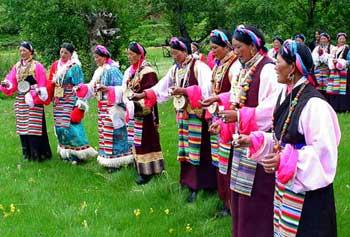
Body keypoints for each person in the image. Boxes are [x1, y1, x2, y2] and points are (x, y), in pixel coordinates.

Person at [238, 40, 340, 237]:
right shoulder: (286, 95)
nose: (275, 66)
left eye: (279, 62)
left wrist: (284, 159)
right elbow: (282, 139)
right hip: (288, 186)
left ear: (292, 67)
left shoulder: (314, 105)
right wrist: (255, 140)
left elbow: (324, 153)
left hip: (309, 194)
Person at [203, 25, 281, 236]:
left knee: (255, 196)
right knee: (239, 192)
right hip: (242, 141)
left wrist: (238, 116)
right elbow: (237, 97)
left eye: (238, 47)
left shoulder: (267, 70)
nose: (235, 52)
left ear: (253, 47)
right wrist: (220, 100)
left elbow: (272, 107)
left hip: (258, 143)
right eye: (234, 47)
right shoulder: (243, 68)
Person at [131, 37, 216, 202]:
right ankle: (187, 181)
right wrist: (144, 94)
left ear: (185, 51)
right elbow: (161, 86)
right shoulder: (176, 69)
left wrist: (185, 91)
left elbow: (207, 90)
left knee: (198, 149)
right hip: (184, 115)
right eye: (172, 53)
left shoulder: (199, 67)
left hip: (196, 115)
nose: (174, 56)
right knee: (185, 149)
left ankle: (201, 184)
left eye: (176, 53)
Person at [75, 45, 133, 172]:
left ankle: (120, 160)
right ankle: (108, 159)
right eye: (95, 57)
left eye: (98, 57)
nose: (96, 60)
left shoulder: (113, 70)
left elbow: (123, 89)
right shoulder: (99, 71)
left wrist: (108, 89)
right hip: (102, 108)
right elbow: (92, 87)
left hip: (113, 108)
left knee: (116, 134)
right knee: (105, 133)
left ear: (105, 56)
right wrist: (82, 88)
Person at [201, 29, 240, 216]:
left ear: (227, 47)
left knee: (229, 160)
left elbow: (236, 95)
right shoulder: (219, 65)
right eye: (211, 48)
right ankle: (224, 199)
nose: (212, 51)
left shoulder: (234, 66)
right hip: (219, 117)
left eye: (215, 47)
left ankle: (232, 203)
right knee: (220, 159)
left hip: (230, 119)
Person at [0, 41, 52, 161]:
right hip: (20, 99)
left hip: (33, 99)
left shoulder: (37, 66)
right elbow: (11, 80)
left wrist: (35, 94)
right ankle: (26, 153)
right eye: (20, 50)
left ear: (30, 51)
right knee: (23, 126)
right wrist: (6, 84)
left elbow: (42, 83)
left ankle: (37, 153)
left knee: (34, 127)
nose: (22, 53)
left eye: (24, 50)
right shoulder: (17, 66)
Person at [48, 43, 97, 164]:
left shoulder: (74, 67)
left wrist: (79, 103)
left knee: (70, 125)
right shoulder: (56, 65)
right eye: (61, 52)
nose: (63, 54)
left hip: (70, 99)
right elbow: (51, 81)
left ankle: (77, 153)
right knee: (60, 126)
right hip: (59, 99)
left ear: (71, 54)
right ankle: (65, 151)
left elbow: (79, 85)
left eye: (65, 52)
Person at [123, 41, 164, 184]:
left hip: (145, 112)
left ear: (140, 55)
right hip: (135, 111)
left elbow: (152, 94)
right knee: (137, 140)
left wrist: (137, 104)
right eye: (128, 53)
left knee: (147, 140)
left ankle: (149, 171)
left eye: (131, 54)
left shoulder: (148, 72)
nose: (129, 56)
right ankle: (140, 167)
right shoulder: (132, 71)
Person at [327, 32, 350, 112]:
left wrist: (341, 62)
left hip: (343, 72)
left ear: (346, 40)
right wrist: (332, 62)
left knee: (343, 90)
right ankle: (335, 107)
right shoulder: (334, 49)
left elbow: (349, 61)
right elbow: (330, 58)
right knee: (334, 90)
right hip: (334, 72)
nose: (342, 40)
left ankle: (343, 108)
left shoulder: (347, 49)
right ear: (337, 40)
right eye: (340, 39)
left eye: (343, 39)